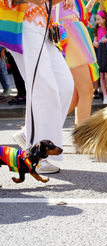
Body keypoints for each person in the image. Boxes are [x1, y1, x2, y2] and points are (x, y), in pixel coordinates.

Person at [3, 0, 75, 174]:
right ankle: (37, 157)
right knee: (44, 88)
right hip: (21, 25)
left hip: (44, 26)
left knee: (65, 85)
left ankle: (28, 134)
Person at [53, 0, 99, 125]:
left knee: (76, 96)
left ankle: (35, 128)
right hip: (68, 30)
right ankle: (81, 140)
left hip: (72, 28)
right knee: (86, 92)